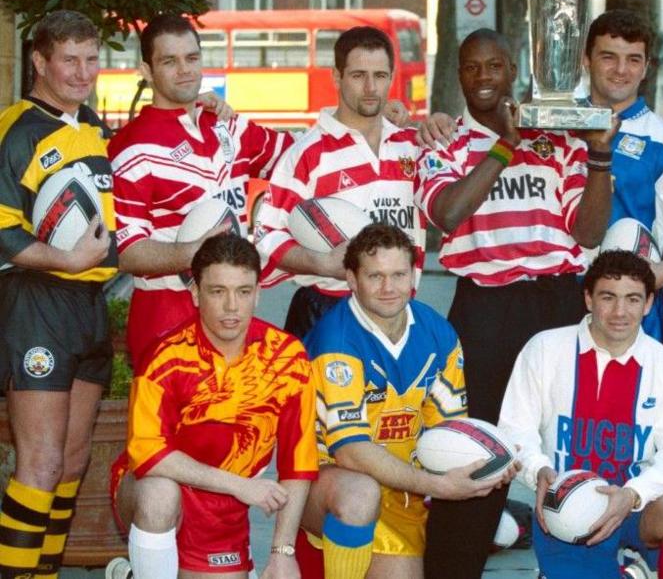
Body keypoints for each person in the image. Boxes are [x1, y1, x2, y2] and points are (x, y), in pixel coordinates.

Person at [417, 29, 616, 579]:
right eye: (472, 68)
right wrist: (505, 146)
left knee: (572, 444)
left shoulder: (561, 141)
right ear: (458, 75)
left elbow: (591, 231)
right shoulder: (444, 143)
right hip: (484, 307)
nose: (484, 78)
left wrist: (599, 156)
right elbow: (449, 215)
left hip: (556, 303)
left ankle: (586, 565)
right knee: (478, 446)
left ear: (514, 70)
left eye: (495, 66)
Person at [295, 223, 513, 578]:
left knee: (477, 510)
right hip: (328, 483)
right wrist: (437, 486)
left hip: (405, 488)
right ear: (351, 279)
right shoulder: (336, 342)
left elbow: (449, 428)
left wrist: (491, 462)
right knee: (359, 495)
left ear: (413, 274)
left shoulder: (436, 332)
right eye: (375, 276)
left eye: (398, 274)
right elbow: (351, 451)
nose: (388, 288)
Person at [110, 234, 317, 579]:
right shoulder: (166, 356)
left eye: (243, 291)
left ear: (258, 293)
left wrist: (282, 552)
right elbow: (148, 454)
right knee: (158, 494)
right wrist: (240, 485)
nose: (232, 306)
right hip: (161, 489)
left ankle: (139, 569)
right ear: (195, 293)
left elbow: (299, 461)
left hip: (225, 507)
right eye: (217, 291)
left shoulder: (287, 357)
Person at [499, 250, 663, 579]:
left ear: (649, 303)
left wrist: (633, 494)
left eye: (633, 299)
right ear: (588, 298)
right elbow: (514, 430)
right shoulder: (545, 349)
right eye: (608, 297)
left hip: (637, 503)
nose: (620, 312)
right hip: (567, 507)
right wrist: (537, 470)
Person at [0, 10, 117, 579]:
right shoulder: (17, 129)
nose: (82, 71)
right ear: (39, 62)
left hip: (90, 307)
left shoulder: (92, 126)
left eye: (91, 59)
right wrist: (67, 259)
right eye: (69, 59)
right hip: (38, 303)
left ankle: (44, 572)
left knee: (72, 461)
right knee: (41, 461)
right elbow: (1, 228)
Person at [109, 14, 293, 367]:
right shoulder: (130, 149)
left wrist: (389, 122)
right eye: (169, 61)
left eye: (192, 58)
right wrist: (194, 252)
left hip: (233, 318)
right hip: (166, 319)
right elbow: (127, 252)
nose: (185, 70)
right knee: (168, 425)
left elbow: (302, 159)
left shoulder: (227, 125)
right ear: (146, 71)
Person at [255, 26, 424, 339]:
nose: (371, 87)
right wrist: (323, 263)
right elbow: (267, 236)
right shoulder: (308, 153)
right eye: (359, 75)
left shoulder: (411, 145)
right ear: (336, 77)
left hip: (398, 309)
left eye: (380, 75)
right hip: (326, 308)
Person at [583, 10, 663, 348]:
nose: (621, 70)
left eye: (633, 59)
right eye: (609, 56)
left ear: (646, 66)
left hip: (626, 309)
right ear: (586, 59)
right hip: (553, 294)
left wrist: (654, 275)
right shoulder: (554, 126)